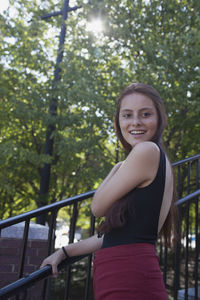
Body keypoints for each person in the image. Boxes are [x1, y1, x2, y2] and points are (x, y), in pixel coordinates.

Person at [40, 82, 177, 300]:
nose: (135, 122)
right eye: (127, 115)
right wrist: (64, 252)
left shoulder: (146, 151)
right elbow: (112, 236)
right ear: (118, 121)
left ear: (159, 118)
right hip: (130, 271)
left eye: (145, 114)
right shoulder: (158, 159)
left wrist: (116, 168)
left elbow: (97, 207)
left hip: (128, 274)